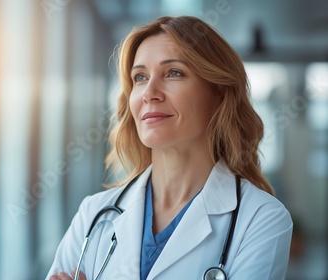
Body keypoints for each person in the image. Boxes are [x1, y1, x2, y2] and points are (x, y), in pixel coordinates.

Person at [47, 16, 293, 280]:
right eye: (140, 77)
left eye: (173, 73)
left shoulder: (262, 219)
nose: (149, 92)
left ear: (219, 94)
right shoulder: (93, 214)